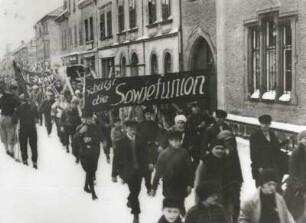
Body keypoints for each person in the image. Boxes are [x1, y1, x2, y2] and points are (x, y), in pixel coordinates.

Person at [151, 130, 193, 216]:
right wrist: (154, 188)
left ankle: (182, 214)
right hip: (168, 185)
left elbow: (190, 170)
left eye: (180, 141)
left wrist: (189, 184)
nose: (178, 143)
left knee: (180, 203)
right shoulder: (163, 154)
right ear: (170, 141)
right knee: (171, 206)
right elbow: (158, 172)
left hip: (181, 184)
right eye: (175, 141)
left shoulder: (184, 153)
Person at [113, 120, 147, 223]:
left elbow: (145, 153)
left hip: (139, 170)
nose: (133, 131)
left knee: (137, 191)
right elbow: (116, 158)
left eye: (134, 129)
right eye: (130, 129)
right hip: (128, 171)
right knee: (134, 191)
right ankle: (136, 215)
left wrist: (149, 163)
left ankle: (130, 199)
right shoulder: (121, 142)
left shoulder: (140, 139)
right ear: (126, 129)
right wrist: (114, 174)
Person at [195, 139, 236, 221]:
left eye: (222, 148)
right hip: (209, 199)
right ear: (211, 149)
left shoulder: (227, 161)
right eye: (217, 148)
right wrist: (198, 202)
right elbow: (198, 182)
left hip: (226, 197)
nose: (220, 150)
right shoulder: (205, 162)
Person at [75, 114, 103, 200]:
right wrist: (80, 133)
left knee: (91, 171)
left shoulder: (96, 127)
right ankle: (93, 193)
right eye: (87, 118)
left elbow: (100, 137)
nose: (89, 120)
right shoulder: (79, 128)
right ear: (83, 119)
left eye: (90, 118)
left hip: (94, 153)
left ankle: (85, 187)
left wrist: (91, 139)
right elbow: (74, 139)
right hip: (84, 153)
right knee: (90, 171)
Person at [217, 130, 243, 223]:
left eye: (230, 140)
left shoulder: (233, 150)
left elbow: (237, 166)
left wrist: (240, 180)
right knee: (224, 205)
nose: (228, 143)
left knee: (236, 204)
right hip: (223, 185)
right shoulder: (218, 152)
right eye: (226, 141)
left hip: (234, 183)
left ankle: (235, 220)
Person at [249, 115, 281, 187]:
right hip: (261, 167)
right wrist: (258, 166)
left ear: (270, 124)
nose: (265, 126)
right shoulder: (255, 136)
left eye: (267, 124)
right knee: (261, 186)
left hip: (272, 166)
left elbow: (276, 149)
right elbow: (253, 153)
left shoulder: (272, 135)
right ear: (260, 124)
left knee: (272, 187)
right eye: (263, 123)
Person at [284, 130, 306, 221]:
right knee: (295, 211)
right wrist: (300, 187)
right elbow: (292, 172)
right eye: (305, 138)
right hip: (296, 187)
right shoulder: (296, 153)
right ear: (300, 140)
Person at [12, 97, 39, 169]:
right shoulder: (33, 107)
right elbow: (37, 118)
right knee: (34, 146)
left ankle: (25, 161)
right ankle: (34, 163)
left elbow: (14, 120)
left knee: (23, 146)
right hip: (32, 129)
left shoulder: (19, 108)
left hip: (23, 130)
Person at [138, 107, 159, 195]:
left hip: (153, 147)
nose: (149, 116)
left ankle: (150, 185)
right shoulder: (140, 125)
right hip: (144, 147)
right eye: (147, 114)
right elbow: (138, 136)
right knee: (146, 167)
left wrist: (157, 141)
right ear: (144, 115)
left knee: (151, 167)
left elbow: (158, 134)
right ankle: (148, 186)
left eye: (150, 114)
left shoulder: (155, 124)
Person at [186, 101, 211, 173]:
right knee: (196, 159)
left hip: (202, 141)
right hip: (194, 142)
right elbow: (189, 130)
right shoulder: (190, 118)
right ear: (191, 108)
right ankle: (192, 174)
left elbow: (210, 122)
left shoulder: (202, 116)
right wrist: (199, 126)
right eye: (194, 107)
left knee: (202, 158)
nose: (196, 108)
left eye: (197, 107)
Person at [0, 84, 20, 158]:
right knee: (11, 134)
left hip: (2, 117)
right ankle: (11, 152)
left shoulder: (2, 97)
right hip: (10, 118)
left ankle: (6, 150)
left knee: (3, 133)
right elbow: (17, 109)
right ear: (12, 90)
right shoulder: (14, 98)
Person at [111, 117, 125, 182]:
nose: (118, 124)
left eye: (119, 122)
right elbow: (113, 139)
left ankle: (122, 176)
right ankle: (114, 175)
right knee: (116, 162)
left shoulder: (122, 128)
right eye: (117, 123)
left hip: (122, 147)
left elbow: (124, 135)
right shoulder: (113, 130)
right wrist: (120, 139)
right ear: (114, 123)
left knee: (123, 161)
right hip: (116, 147)